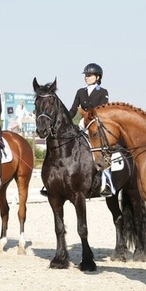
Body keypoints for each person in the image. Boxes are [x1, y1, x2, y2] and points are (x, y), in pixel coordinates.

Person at [41, 63, 113, 197]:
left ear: (97, 77)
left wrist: (89, 117)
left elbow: (103, 109)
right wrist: (65, 120)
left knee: (103, 149)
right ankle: (50, 180)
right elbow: (73, 109)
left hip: (96, 123)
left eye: (89, 75)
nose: (86, 77)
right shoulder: (81, 92)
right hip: (82, 123)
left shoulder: (103, 92)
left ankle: (107, 182)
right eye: (86, 75)